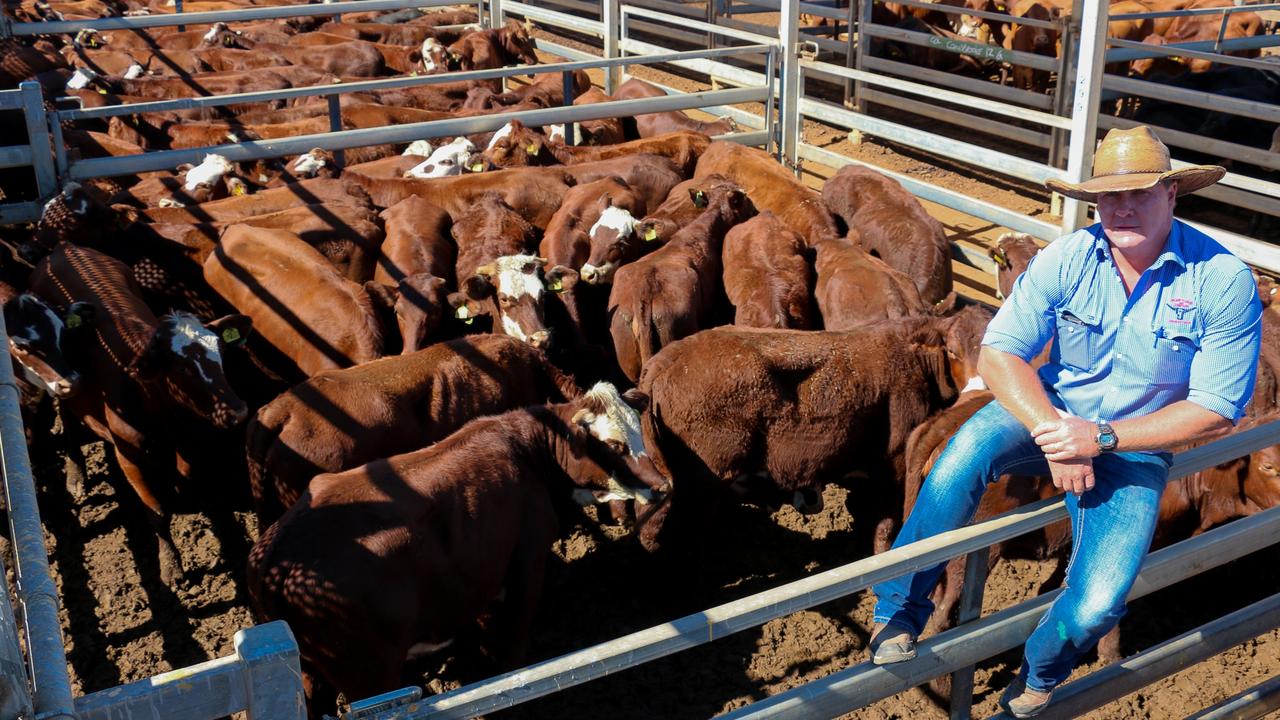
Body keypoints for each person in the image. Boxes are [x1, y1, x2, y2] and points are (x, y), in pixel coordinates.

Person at [867, 126, 1262, 718]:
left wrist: (1098, 438)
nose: (1123, 207)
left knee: (1100, 601)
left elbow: (1215, 409)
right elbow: (1001, 355)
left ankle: (1042, 668)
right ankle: (899, 608)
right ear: (1094, 201)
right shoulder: (1068, 257)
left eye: (1142, 193)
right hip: (1049, 410)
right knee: (955, 467)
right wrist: (1058, 434)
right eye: (1109, 196)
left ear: (1173, 194)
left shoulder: (1220, 280)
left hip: (1136, 444)